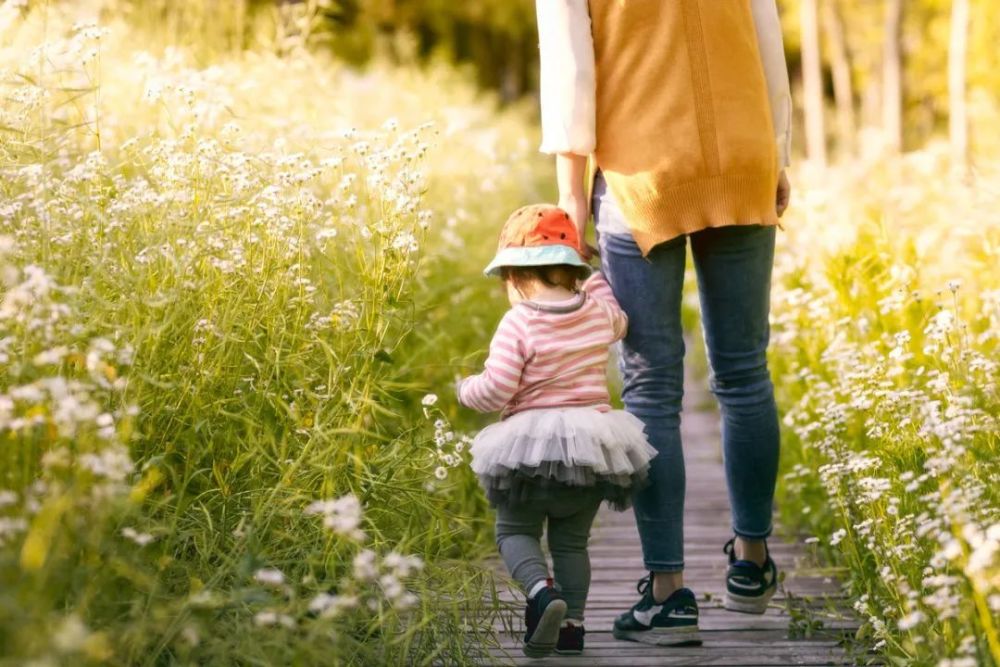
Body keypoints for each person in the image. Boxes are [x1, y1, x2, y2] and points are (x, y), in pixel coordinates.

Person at [534, 0, 794, 646]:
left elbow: (570, 60)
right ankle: (753, 563)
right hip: (740, 152)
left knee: (651, 385)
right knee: (743, 370)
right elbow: (766, 30)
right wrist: (776, 151)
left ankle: (669, 594)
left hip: (640, 170)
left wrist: (570, 195)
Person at [457, 203, 659, 657]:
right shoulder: (596, 312)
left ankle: (542, 593)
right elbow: (620, 321)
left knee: (513, 531)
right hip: (592, 449)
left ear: (514, 275)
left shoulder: (519, 322)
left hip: (527, 453)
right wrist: (599, 276)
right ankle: (572, 628)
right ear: (572, 271)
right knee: (571, 541)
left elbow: (496, 389)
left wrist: (465, 389)